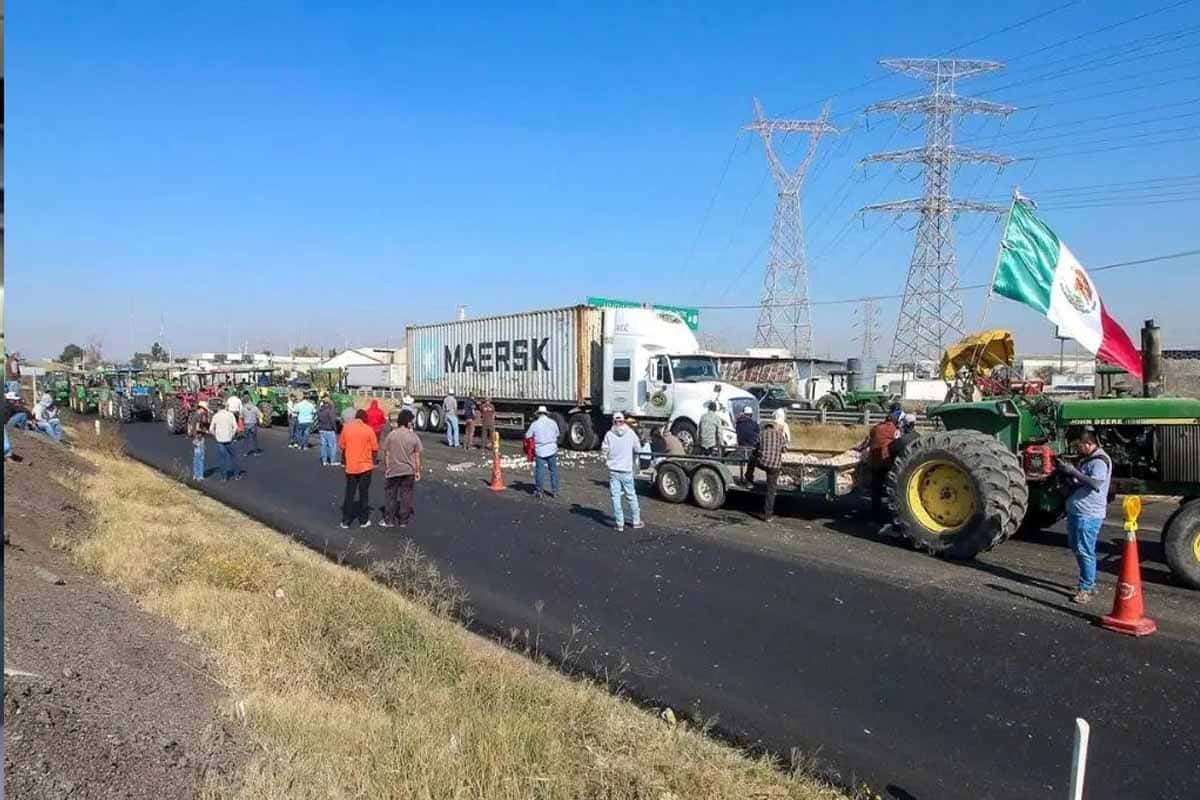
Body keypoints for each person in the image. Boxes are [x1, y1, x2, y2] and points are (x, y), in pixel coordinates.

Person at [1056, 430, 1112, 604]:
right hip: (1077, 512)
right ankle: (1087, 582)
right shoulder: (1089, 460)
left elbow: (1095, 483)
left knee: (1085, 551)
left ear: (1088, 443)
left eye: (1079, 445)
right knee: (1076, 547)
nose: (1078, 449)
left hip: (1088, 514)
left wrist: (1073, 471)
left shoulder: (1100, 462)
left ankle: (1086, 588)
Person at [602, 412, 643, 531]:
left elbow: (604, 450)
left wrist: (608, 460)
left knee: (615, 497)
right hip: (626, 469)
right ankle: (636, 521)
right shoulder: (630, 433)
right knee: (631, 495)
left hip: (614, 470)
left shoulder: (609, 434)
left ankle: (620, 523)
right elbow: (638, 448)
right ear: (624, 421)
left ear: (613, 421)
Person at [381, 408, 423, 528]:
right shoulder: (413, 437)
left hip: (394, 470)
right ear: (408, 422)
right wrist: (417, 471)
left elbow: (387, 453)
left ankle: (389, 519)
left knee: (391, 495)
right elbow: (417, 456)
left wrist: (387, 468)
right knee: (406, 495)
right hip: (408, 471)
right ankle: (403, 520)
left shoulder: (392, 435)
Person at [338, 409, 379, 529]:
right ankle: (363, 520)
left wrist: (344, 461)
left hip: (351, 467)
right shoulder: (368, 430)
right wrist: (373, 462)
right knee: (364, 494)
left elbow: (342, 446)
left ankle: (346, 521)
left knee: (349, 493)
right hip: (365, 467)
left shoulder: (347, 428)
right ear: (365, 418)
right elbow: (375, 449)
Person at [860, 408, 901, 518]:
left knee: (876, 487)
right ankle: (888, 510)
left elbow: (870, 439)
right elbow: (898, 442)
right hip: (886, 461)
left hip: (874, 461)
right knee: (889, 485)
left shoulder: (876, 428)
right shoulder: (894, 430)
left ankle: (875, 510)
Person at [755, 414, 787, 522]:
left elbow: (756, 447)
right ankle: (768, 515)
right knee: (771, 490)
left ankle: (748, 478)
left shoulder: (762, 434)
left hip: (763, 463)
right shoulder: (780, 435)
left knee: (751, 458)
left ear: (765, 427)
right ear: (773, 427)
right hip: (775, 466)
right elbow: (784, 450)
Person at [524, 406, 560, 498]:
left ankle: (539, 491)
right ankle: (555, 491)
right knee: (553, 470)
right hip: (552, 449)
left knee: (539, 471)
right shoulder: (553, 423)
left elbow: (527, 436)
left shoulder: (535, 424)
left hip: (540, 451)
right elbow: (557, 434)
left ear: (538, 414)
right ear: (546, 413)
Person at [208, 403, 240, 481]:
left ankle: (224, 477)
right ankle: (236, 475)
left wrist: (215, 435)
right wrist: (232, 435)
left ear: (218, 409)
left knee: (222, 459)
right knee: (234, 457)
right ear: (225, 408)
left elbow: (211, 429)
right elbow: (235, 427)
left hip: (220, 441)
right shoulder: (230, 415)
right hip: (229, 440)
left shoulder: (216, 416)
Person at [735, 407, 760, 483]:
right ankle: (749, 477)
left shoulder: (738, 424)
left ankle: (746, 477)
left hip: (741, 446)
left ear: (743, 413)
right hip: (751, 447)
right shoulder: (754, 424)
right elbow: (758, 435)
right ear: (751, 415)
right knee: (753, 459)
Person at [317, 395, 340, 466]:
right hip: (329, 429)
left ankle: (324, 461)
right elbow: (333, 420)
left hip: (322, 429)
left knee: (323, 445)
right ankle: (332, 461)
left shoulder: (320, 410)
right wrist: (335, 429)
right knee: (332, 445)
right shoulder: (330, 410)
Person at [188, 401, 209, 480]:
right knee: (200, 457)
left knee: (196, 457)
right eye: (204, 409)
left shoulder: (194, 415)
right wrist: (205, 431)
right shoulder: (199, 416)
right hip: (199, 438)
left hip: (195, 438)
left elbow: (192, 427)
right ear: (202, 408)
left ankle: (195, 474)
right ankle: (200, 475)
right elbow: (197, 428)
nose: (205, 411)